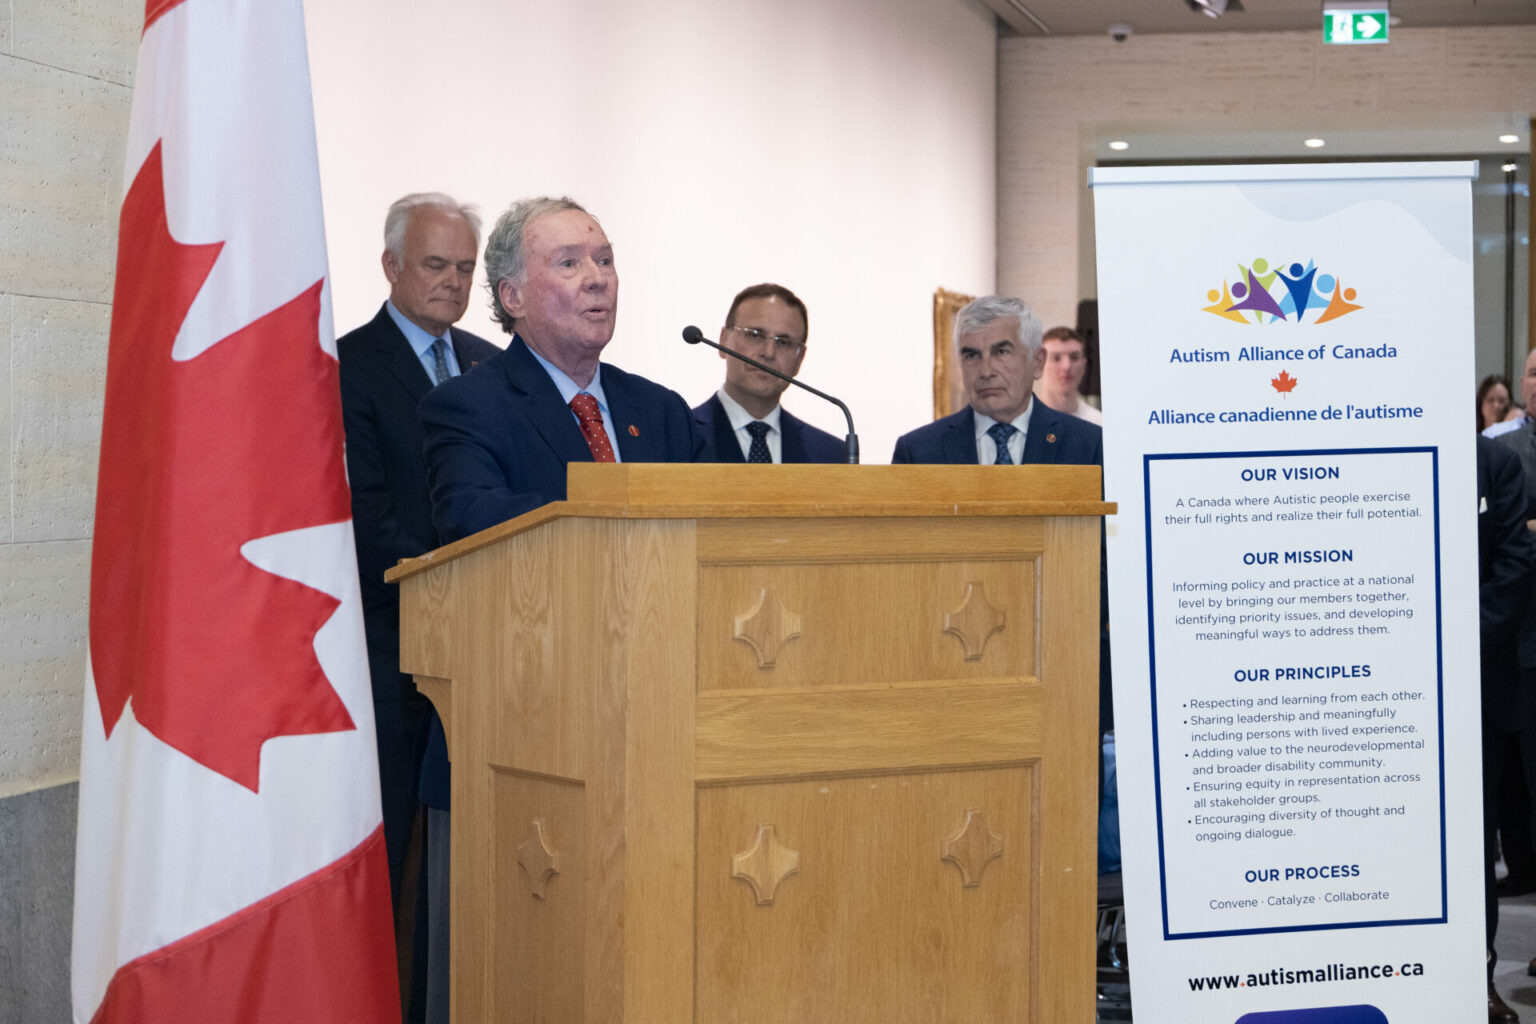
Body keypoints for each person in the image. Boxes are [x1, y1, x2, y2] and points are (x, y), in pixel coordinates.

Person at [337, 193, 498, 922]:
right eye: (436, 265)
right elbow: (364, 515)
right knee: (394, 857)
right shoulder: (348, 366)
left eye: (466, 268)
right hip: (393, 649)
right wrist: (456, 588)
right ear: (391, 266)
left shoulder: (492, 367)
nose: (454, 283)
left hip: (492, 650)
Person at [420, 195, 703, 543]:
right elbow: (472, 518)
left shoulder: (662, 411)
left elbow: (713, 520)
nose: (597, 278)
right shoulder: (469, 406)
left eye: (604, 260)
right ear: (513, 297)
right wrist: (617, 516)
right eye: (569, 263)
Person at [891, 295, 1102, 466]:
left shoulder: (1089, 445)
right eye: (972, 355)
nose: (986, 371)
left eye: (1001, 352)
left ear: (1037, 363)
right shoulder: (918, 452)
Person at [1477, 435, 1534, 1023]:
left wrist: (1453, 638)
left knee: (1474, 842)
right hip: (1381, 690)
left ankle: (1477, 974)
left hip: (1477, 687)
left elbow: (1516, 567)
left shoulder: (1496, 464)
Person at [693, 283, 845, 463]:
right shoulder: (681, 436)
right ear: (723, 340)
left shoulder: (831, 455)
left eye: (783, 342)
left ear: (800, 359)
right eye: (755, 335)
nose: (768, 352)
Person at [1033, 325, 1102, 424]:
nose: (1067, 366)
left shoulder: (1098, 423)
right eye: (1056, 358)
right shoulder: (1021, 422)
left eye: (1074, 357)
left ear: (1083, 365)